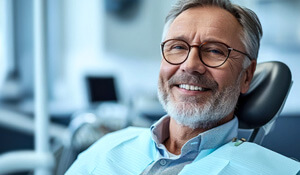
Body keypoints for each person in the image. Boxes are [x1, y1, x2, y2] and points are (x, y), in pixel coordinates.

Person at [66, 0, 300, 174]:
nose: (190, 65)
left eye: (215, 51)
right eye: (177, 47)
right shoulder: (105, 150)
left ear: (246, 76)